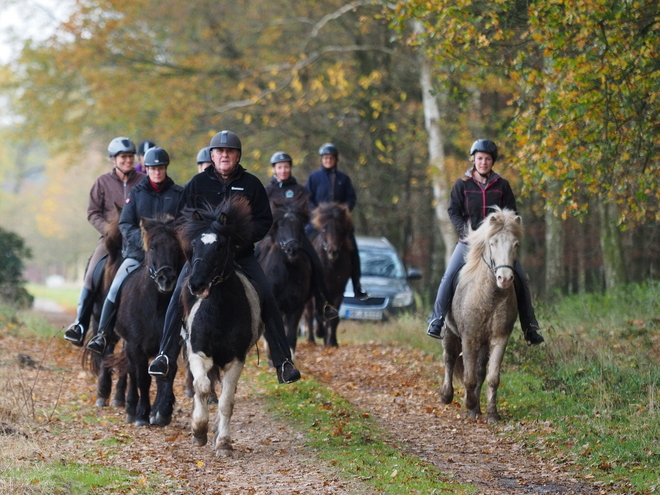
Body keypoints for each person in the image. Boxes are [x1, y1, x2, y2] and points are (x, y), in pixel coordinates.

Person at [148, 131, 301, 384]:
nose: (224, 155)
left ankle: (283, 361)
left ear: (238, 156)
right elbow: (181, 221)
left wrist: (241, 238)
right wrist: (196, 246)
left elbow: (264, 220)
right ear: (212, 155)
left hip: (241, 255)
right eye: (219, 151)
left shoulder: (251, 184)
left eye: (230, 151)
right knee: (177, 295)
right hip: (203, 258)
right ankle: (164, 355)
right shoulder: (197, 184)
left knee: (266, 295)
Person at [426, 139, 544, 346]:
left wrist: (505, 233)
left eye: (488, 159)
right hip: (469, 243)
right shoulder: (461, 184)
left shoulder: (502, 185)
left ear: (492, 162)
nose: (483, 162)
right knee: (449, 276)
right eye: (480, 158)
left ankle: (530, 326)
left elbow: (512, 213)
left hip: (498, 245)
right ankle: (437, 320)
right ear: (473, 160)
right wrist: (466, 232)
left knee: (521, 279)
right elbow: (453, 211)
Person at [87, 147, 184, 355]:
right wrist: (143, 242)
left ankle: (192, 335)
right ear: (146, 169)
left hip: (170, 257)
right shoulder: (137, 193)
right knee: (115, 287)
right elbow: (125, 224)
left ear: (166, 168)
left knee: (192, 284)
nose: (157, 172)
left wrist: (174, 243)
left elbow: (186, 224)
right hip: (139, 255)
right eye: (153, 168)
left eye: (160, 168)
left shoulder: (178, 194)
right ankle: (102, 334)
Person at [64, 137, 145, 346]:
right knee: (92, 273)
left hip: (137, 240)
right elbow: (92, 213)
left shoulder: (143, 180)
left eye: (130, 156)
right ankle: (80, 325)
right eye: (123, 157)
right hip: (110, 241)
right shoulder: (102, 182)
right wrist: (108, 230)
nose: (128, 160)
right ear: (113, 159)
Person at [264, 151, 338, 321]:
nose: (283, 170)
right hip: (272, 236)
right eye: (280, 167)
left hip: (296, 236)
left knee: (317, 264)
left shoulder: (299, 190)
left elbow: (308, 213)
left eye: (286, 167)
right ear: (274, 170)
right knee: (253, 257)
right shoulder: (267, 190)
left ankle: (324, 305)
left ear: (290, 168)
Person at [305, 142, 368, 300]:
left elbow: (351, 198)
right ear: (321, 159)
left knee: (353, 249)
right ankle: (301, 281)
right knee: (302, 242)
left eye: (331, 158)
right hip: (319, 223)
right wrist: (317, 212)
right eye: (325, 158)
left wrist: (343, 211)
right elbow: (308, 198)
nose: (328, 160)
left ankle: (356, 285)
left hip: (339, 224)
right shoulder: (314, 177)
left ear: (335, 160)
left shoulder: (344, 179)